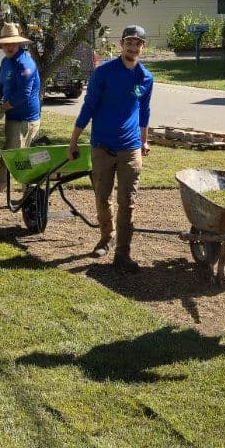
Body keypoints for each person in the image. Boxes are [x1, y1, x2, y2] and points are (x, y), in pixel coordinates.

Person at [68, 24, 153, 272]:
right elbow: (89, 106)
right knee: (102, 198)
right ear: (121, 44)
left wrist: (144, 140)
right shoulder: (104, 72)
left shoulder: (146, 78)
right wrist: (74, 141)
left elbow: (144, 111)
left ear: (142, 47)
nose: (132, 46)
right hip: (102, 147)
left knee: (127, 203)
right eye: (129, 41)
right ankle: (107, 237)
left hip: (130, 149)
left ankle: (123, 254)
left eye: (137, 43)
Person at [0, 23, 41, 212]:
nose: (9, 47)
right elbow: (1, 89)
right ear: (2, 45)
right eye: (6, 44)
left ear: (19, 44)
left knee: (12, 160)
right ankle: (32, 196)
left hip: (25, 119)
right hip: (12, 116)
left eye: (13, 43)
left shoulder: (25, 63)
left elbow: (24, 94)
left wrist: (1, 109)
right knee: (22, 160)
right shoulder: (6, 62)